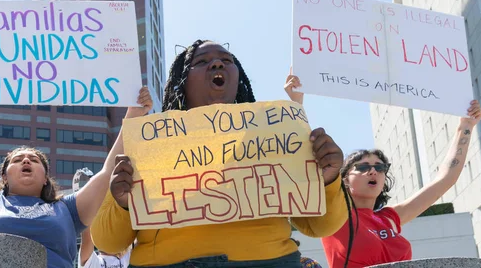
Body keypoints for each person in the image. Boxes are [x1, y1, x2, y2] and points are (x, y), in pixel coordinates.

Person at [91, 40, 350, 268]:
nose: (217, 64)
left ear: (238, 76)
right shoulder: (148, 142)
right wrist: (123, 203)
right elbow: (107, 241)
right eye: (202, 61)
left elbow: (321, 226)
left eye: (227, 60)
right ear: (182, 80)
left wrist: (327, 179)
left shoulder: (276, 137)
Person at [0, 51, 153, 268]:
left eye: (34, 160)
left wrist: (134, 115)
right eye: (18, 160)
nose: (26, 161)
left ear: (45, 178)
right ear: (4, 176)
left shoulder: (69, 209)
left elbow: (109, 171)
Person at [284, 73, 481, 267]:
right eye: (362, 167)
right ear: (344, 179)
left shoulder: (389, 218)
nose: (373, 172)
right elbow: (305, 158)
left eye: (380, 167)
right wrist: (296, 102)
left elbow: (445, 180)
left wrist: (465, 126)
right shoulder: (335, 216)